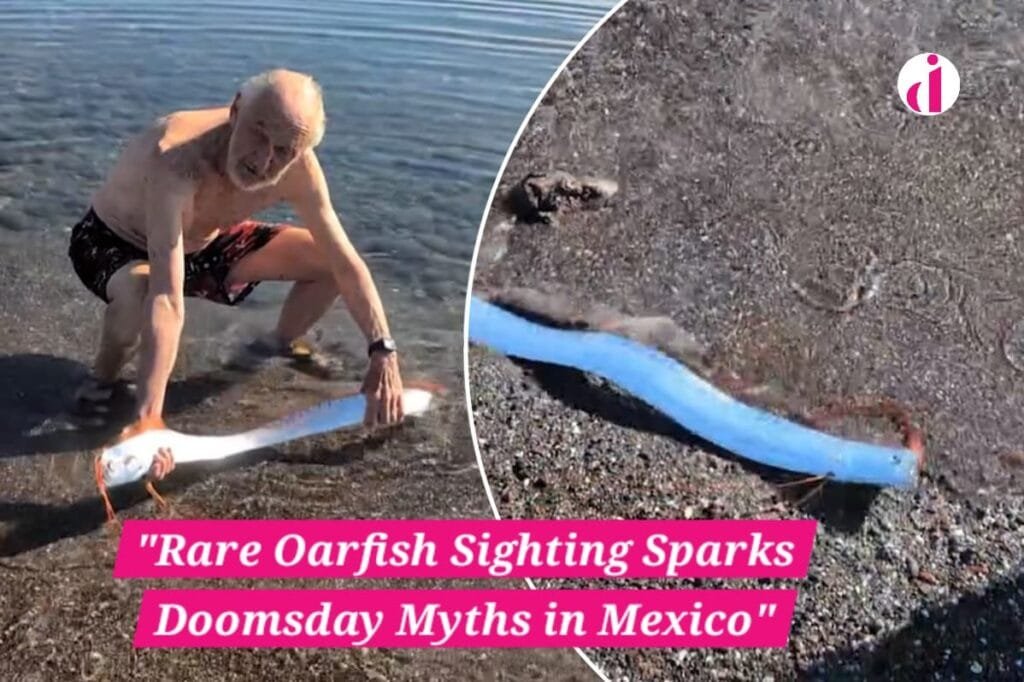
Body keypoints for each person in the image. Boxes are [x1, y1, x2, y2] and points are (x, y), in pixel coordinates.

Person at [68, 68, 405, 482]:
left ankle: (276, 345)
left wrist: (383, 350)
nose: (264, 161)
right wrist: (151, 416)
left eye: (284, 151)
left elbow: (348, 262)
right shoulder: (176, 156)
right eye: (258, 135)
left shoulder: (299, 166)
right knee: (140, 293)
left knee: (325, 261)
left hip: (204, 243)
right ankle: (100, 380)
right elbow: (168, 298)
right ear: (236, 109)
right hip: (114, 241)